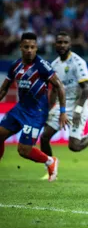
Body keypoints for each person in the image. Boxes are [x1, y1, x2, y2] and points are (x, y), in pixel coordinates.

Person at [0, 32, 69, 182]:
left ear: (36, 48)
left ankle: (50, 161)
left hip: (36, 114)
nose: (29, 50)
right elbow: (5, 88)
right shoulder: (16, 65)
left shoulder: (42, 66)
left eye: (32, 47)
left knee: (23, 151)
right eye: (26, 47)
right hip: (20, 109)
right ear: (20, 47)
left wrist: (63, 112)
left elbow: (59, 86)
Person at [40, 32, 88, 168]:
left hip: (78, 104)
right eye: (60, 42)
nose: (62, 45)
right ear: (55, 45)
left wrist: (78, 110)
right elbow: (54, 90)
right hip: (62, 106)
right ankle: (50, 168)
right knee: (44, 137)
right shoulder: (54, 65)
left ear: (70, 45)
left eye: (65, 42)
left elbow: (86, 88)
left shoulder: (78, 62)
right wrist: (48, 109)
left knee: (74, 146)